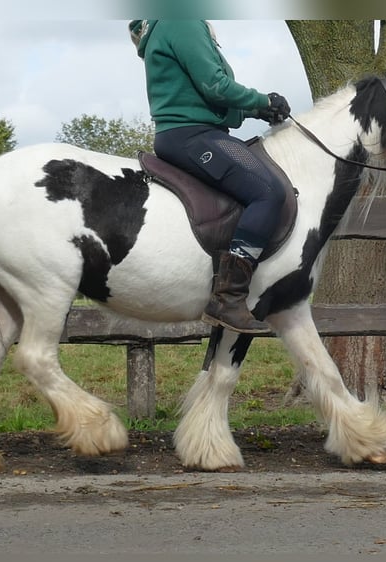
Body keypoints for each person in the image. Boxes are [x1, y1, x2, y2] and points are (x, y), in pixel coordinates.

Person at [129, 20, 291, 334]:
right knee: (268, 192)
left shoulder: (173, 22)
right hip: (192, 136)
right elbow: (215, 85)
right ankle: (228, 298)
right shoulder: (181, 20)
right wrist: (263, 100)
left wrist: (259, 112)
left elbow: (208, 99)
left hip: (194, 131)